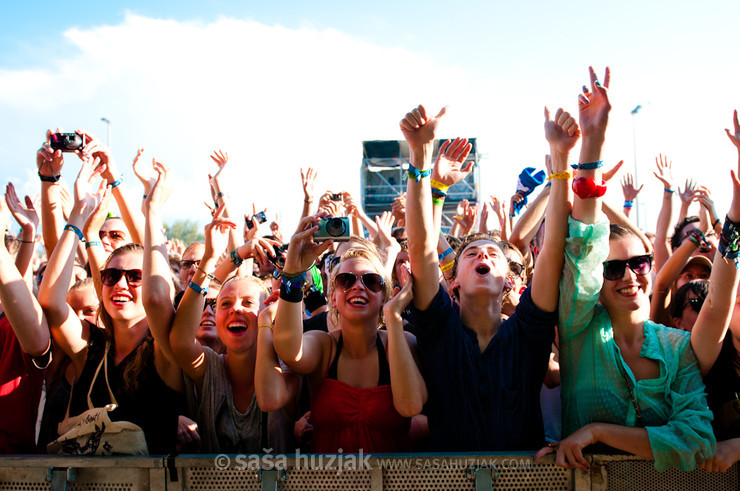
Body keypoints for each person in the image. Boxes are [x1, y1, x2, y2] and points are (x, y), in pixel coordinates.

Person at [539, 67, 718, 472]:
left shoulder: (677, 347)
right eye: (612, 268)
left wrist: (598, 432)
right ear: (594, 282)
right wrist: (593, 143)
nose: (628, 276)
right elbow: (583, 240)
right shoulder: (578, 330)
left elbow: (697, 440)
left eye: (638, 263)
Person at [401, 101, 567, 451]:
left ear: (509, 281)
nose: (483, 254)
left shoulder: (527, 332)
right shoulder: (438, 326)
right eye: (472, 254)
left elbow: (551, 251)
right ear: (454, 281)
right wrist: (419, 159)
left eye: (493, 254)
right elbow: (421, 247)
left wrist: (561, 167)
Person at [38, 156, 185, 454]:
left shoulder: (165, 350)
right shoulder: (89, 347)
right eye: (111, 275)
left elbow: (157, 299)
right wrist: (79, 214)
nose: (120, 285)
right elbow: (51, 301)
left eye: (135, 277)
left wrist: (152, 211)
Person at [273, 218, 426, 453]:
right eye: (346, 280)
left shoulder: (405, 342)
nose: (358, 286)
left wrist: (393, 319)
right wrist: (293, 272)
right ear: (332, 297)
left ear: (384, 296)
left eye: (371, 280)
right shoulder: (323, 346)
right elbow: (288, 349)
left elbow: (411, 406)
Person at [169, 207, 285, 453]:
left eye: (248, 303)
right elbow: (180, 340)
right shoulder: (208, 367)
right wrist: (212, 258)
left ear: (269, 309)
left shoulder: (286, 369)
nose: (235, 309)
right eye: (224, 304)